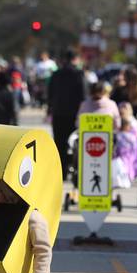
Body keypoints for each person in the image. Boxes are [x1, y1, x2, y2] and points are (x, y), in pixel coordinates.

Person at [48, 50, 87, 178]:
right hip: (74, 114)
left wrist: (50, 109)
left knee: (60, 143)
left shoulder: (56, 74)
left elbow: (50, 93)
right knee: (75, 143)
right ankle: (74, 169)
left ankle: (61, 172)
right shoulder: (79, 74)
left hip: (58, 113)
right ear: (75, 59)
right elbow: (83, 95)